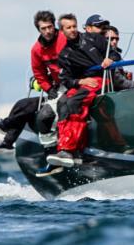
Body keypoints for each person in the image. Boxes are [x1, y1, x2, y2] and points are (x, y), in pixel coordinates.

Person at [0, 10, 67, 153]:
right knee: (23, 105)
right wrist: (48, 89)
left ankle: (6, 126)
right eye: (43, 28)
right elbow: (39, 73)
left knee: (38, 112)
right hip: (57, 90)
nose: (47, 31)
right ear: (38, 30)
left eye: (50, 27)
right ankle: (8, 142)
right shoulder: (36, 49)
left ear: (54, 26)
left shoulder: (65, 38)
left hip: (71, 86)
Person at [46, 13, 115, 168]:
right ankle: (68, 151)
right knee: (63, 103)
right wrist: (80, 81)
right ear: (62, 31)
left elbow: (114, 53)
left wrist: (110, 59)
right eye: (68, 28)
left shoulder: (94, 38)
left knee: (74, 102)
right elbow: (66, 80)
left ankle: (69, 150)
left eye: (74, 26)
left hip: (101, 79)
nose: (73, 30)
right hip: (83, 83)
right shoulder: (64, 54)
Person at [105, 25, 134, 90]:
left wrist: (124, 75)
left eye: (117, 39)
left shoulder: (116, 55)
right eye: (111, 39)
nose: (115, 41)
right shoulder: (103, 55)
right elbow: (118, 81)